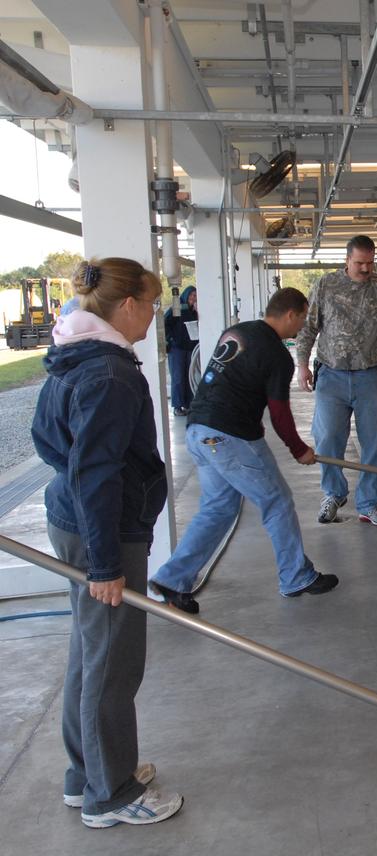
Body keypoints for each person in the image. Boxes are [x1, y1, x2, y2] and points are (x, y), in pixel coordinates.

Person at [32, 258, 184, 828]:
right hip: (103, 533)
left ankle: (87, 775)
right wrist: (104, 564)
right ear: (126, 306)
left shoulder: (76, 355)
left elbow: (48, 440)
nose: (154, 315)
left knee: (89, 653)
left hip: (81, 523)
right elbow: (95, 472)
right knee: (113, 663)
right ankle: (111, 793)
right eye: (150, 303)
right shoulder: (110, 376)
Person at [149, 287, 337, 613]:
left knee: (219, 508)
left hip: (198, 430)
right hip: (229, 436)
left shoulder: (238, 331)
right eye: (303, 318)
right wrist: (298, 449)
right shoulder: (277, 355)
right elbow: (279, 413)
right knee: (276, 500)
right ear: (291, 314)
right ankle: (296, 576)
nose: (302, 326)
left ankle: (172, 579)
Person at [295, 235, 377, 527]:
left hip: (372, 374)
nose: (365, 269)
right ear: (347, 260)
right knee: (328, 437)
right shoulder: (326, 285)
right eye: (359, 263)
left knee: (375, 441)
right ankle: (333, 494)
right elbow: (308, 327)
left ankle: (370, 502)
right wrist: (302, 365)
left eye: (370, 263)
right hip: (332, 375)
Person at [163, 286, 198, 416]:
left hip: (190, 348)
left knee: (189, 377)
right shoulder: (177, 308)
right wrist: (170, 339)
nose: (193, 298)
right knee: (178, 377)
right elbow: (165, 322)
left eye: (195, 295)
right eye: (191, 295)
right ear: (186, 295)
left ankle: (188, 404)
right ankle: (177, 406)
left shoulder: (194, 311)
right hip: (177, 349)